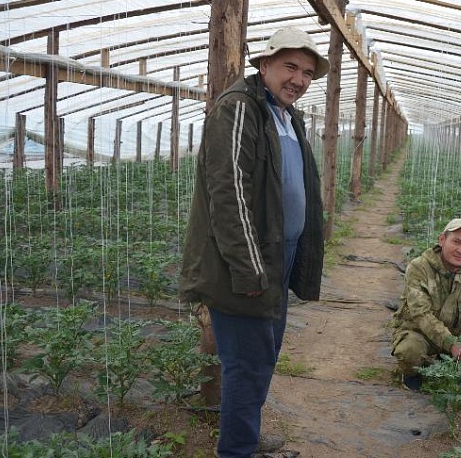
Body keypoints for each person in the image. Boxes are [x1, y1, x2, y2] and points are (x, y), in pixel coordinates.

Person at [179, 27, 329, 458]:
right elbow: (229, 194)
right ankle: (237, 449)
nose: (298, 79)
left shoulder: (284, 114)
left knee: (264, 355)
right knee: (245, 363)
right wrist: (249, 269)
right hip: (246, 263)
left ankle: (246, 433)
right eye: (289, 67)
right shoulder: (238, 109)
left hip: (279, 256)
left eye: (306, 72)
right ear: (264, 65)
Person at [391, 218, 461, 391]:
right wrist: (452, 344)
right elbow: (421, 314)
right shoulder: (419, 268)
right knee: (410, 351)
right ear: (442, 240)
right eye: (456, 242)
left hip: (454, 333)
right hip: (419, 332)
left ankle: (445, 360)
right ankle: (411, 372)